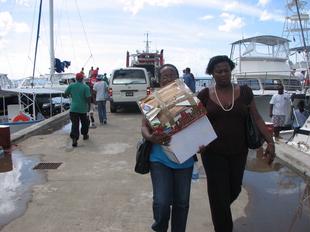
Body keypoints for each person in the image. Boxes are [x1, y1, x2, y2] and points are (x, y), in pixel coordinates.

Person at [197, 55, 275, 232]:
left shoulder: (245, 92)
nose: (224, 74)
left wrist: (270, 141)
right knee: (218, 196)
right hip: (213, 153)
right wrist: (196, 142)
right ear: (212, 73)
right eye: (219, 71)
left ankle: (221, 212)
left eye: (227, 70)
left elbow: (256, 117)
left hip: (239, 151)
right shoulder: (204, 95)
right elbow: (194, 122)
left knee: (235, 189)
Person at [141, 64, 194, 232]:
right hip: (159, 158)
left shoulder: (189, 98)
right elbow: (144, 127)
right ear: (159, 80)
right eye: (165, 76)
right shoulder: (151, 101)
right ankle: (160, 228)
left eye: (172, 75)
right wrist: (150, 137)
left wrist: (202, 142)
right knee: (162, 203)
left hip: (184, 159)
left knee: (182, 203)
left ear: (178, 79)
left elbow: (199, 126)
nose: (168, 79)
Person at [65, 72, 91, 147]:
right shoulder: (86, 87)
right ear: (82, 79)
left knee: (75, 124)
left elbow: (65, 93)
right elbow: (88, 98)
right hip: (83, 109)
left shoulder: (71, 86)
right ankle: (85, 134)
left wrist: (72, 95)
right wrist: (89, 107)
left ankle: (74, 139)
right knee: (85, 123)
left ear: (76, 79)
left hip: (73, 109)